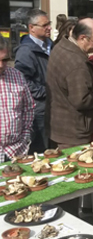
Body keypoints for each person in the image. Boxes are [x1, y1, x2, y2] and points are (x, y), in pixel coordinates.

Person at [46, 18, 93, 219]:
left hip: (59, 125)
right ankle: (69, 222)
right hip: (73, 130)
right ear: (83, 38)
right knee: (72, 182)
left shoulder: (61, 47)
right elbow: (82, 101)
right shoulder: (77, 63)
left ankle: (74, 214)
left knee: (66, 178)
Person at [14, 9, 52, 154]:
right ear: (32, 28)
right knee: (41, 151)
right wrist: (45, 92)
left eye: (49, 24)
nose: (49, 27)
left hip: (53, 107)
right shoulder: (26, 51)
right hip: (39, 110)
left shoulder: (50, 46)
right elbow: (23, 81)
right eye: (45, 25)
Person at [0, 34, 35, 163]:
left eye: (5, 60)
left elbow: (28, 107)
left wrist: (25, 135)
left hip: (16, 151)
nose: (1, 65)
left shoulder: (16, 76)